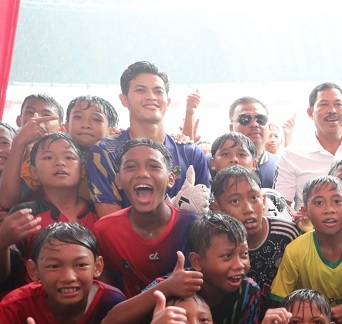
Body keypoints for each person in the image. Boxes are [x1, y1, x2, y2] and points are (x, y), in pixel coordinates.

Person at [102, 213, 259, 324]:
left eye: (244, 254)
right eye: (227, 256)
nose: (239, 265)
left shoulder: (247, 292)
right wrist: (167, 288)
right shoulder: (173, 284)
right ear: (196, 261)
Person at [87, 61, 210, 217]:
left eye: (158, 91)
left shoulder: (191, 153)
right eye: (140, 90)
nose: (151, 97)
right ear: (124, 99)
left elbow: (206, 217)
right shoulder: (105, 152)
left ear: (168, 101)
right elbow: (110, 226)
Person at [93, 138, 199, 297]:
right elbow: (107, 295)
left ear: (170, 179)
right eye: (130, 167)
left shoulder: (193, 225)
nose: (142, 173)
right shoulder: (105, 230)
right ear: (119, 180)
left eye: (154, 166)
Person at [270, 176, 342, 324]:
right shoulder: (295, 250)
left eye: (337, 201)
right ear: (305, 211)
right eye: (319, 203)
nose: (329, 210)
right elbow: (279, 300)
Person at [6, 134, 98, 272]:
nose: (60, 162)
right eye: (48, 157)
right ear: (34, 172)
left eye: (69, 157)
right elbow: (5, 277)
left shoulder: (98, 211)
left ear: (83, 170)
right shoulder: (25, 215)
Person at [210, 164, 298, 296]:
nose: (248, 209)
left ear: (263, 201)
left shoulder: (287, 234)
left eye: (253, 198)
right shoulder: (213, 242)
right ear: (217, 208)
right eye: (235, 201)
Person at [276, 82, 342, 207]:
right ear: (310, 112)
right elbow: (282, 207)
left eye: (338, 104)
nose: (332, 110)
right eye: (324, 104)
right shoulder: (291, 155)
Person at [0, 94, 63, 210]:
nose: (36, 118)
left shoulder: (63, 156)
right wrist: (19, 143)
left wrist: (19, 141)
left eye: (47, 115)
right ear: (19, 120)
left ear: (61, 127)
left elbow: (6, 201)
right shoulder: (8, 152)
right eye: (29, 112)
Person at [228, 96, 278, 188]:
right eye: (245, 119)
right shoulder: (214, 164)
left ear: (269, 127)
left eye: (261, 119)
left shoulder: (282, 165)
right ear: (231, 128)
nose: (254, 124)